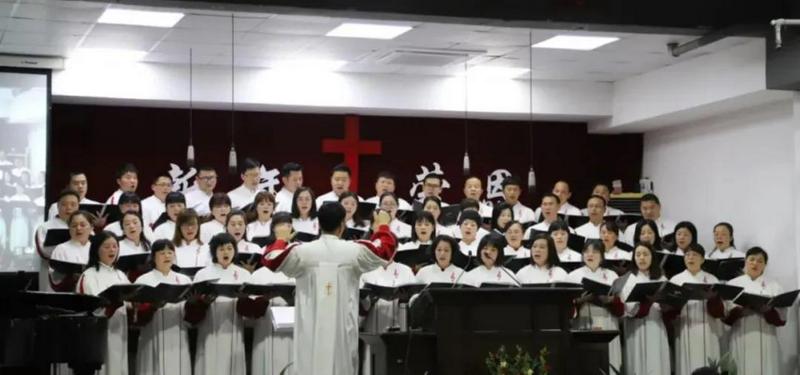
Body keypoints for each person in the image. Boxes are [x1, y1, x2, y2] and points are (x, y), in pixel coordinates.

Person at [262, 203, 397, 375]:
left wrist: (281, 239)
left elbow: (271, 259)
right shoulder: (354, 251)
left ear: (319, 224)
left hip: (310, 330)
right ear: (342, 225)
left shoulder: (303, 252)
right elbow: (385, 250)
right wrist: (382, 226)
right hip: (343, 330)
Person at [184, 233, 257, 375]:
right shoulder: (203, 274)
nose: (226, 252)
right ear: (214, 251)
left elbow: (251, 310)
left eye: (230, 248)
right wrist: (203, 302)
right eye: (222, 249)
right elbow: (193, 308)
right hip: (209, 328)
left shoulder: (243, 274)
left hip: (234, 328)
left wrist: (243, 298)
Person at [134, 240, 193, 375]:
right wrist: (153, 307)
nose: (167, 256)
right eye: (162, 253)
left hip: (178, 335)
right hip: (152, 335)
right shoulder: (144, 281)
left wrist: (193, 303)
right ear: (154, 257)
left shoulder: (184, 280)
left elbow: (190, 315)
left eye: (170, 252)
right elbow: (137, 317)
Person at [76, 231, 130, 375]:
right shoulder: (89, 275)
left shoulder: (120, 275)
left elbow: (130, 302)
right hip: (99, 332)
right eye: (106, 246)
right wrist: (111, 304)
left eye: (114, 246)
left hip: (119, 329)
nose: (112, 250)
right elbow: (88, 306)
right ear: (96, 250)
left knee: (118, 364)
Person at [724, 247, 785, 375]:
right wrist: (739, 312)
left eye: (760, 261)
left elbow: (781, 320)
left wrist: (768, 311)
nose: (755, 263)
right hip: (741, 336)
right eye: (751, 260)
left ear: (765, 265)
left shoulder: (774, 286)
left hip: (766, 339)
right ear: (745, 261)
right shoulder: (732, 284)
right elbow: (726, 318)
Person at [566, 240, 623, 372]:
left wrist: (611, 300)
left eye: (595, 251)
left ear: (602, 256)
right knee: (586, 364)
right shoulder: (573, 276)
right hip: (583, 322)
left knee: (609, 363)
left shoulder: (611, 275)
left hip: (608, 322)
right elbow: (567, 306)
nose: (590, 254)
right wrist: (579, 301)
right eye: (586, 251)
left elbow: (621, 308)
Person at [669, 243, 725, 375]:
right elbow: (670, 308)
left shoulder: (712, 279)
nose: (690, 258)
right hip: (684, 328)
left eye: (695, 255)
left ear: (702, 259)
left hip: (708, 329)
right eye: (687, 255)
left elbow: (720, 312)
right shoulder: (676, 280)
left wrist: (712, 298)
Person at [619, 242, 671, 375]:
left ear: (652, 257)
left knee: (656, 361)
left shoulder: (661, 278)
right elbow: (628, 308)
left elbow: (668, 304)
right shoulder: (627, 278)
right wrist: (647, 301)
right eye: (638, 254)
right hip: (635, 328)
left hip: (656, 325)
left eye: (645, 254)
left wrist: (666, 305)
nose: (641, 258)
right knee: (637, 362)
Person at [247, 256, 295, 375]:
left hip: (289, 334)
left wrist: (292, 300)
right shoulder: (258, 275)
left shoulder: (294, 274)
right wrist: (264, 299)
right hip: (264, 330)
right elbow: (250, 312)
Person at [36, 189, 79, 291]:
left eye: (73, 204)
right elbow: (43, 251)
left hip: (78, 275)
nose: (69, 208)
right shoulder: (45, 227)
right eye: (64, 204)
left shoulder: (84, 226)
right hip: (53, 274)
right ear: (58, 206)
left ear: (78, 207)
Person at [50, 210, 94, 291]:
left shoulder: (96, 248)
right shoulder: (61, 249)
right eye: (74, 225)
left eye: (82, 225)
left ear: (91, 227)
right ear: (69, 228)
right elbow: (54, 278)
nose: (78, 228)